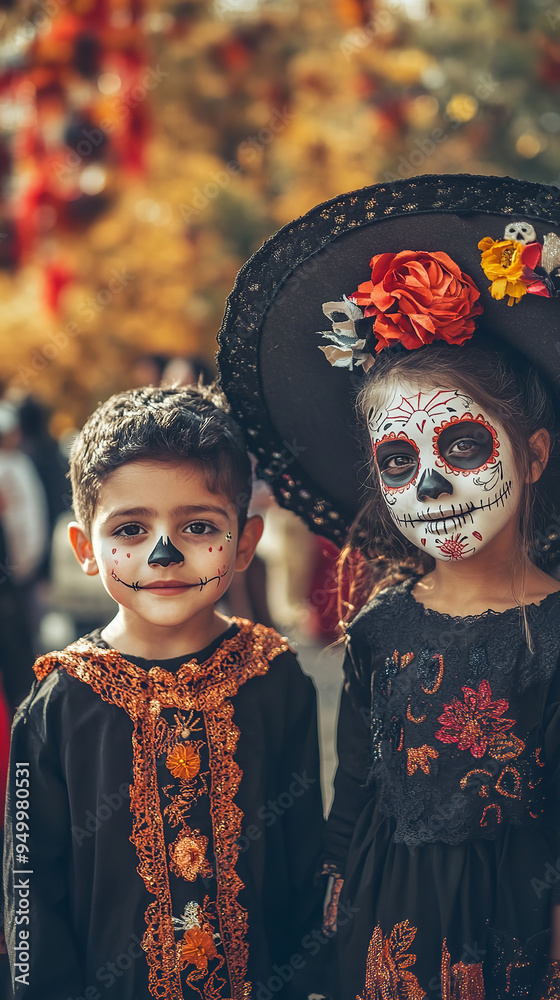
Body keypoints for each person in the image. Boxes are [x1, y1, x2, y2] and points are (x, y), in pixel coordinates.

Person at [216, 174, 560, 998]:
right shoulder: (380, 626)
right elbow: (361, 778)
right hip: (389, 913)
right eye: (400, 464)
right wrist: (338, 879)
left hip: (522, 918)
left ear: (535, 456)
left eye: (465, 447)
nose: (432, 488)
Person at [3, 384, 324, 1000]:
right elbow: (28, 886)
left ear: (246, 543)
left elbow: (302, 857)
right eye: (130, 527)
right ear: (85, 550)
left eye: (198, 525)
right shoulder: (57, 703)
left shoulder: (272, 675)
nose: (164, 552)